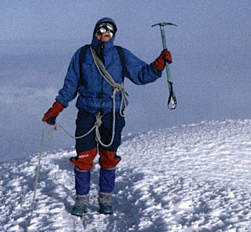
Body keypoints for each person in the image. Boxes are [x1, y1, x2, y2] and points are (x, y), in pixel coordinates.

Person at [42, 17, 172, 216]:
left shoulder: (120, 55)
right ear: (95, 33)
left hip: (113, 111)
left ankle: (105, 198)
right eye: (101, 31)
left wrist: (159, 64)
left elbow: (142, 75)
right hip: (87, 110)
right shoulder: (83, 54)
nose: (104, 35)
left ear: (113, 35)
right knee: (84, 157)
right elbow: (70, 84)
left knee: (109, 157)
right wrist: (56, 108)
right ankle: (82, 200)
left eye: (109, 32)